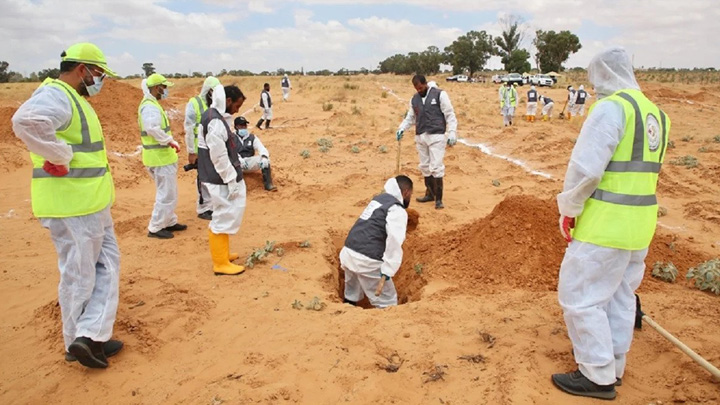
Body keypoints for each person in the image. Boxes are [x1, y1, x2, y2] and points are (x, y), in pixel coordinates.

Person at [552, 47, 671, 400]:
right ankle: (614, 365)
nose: (593, 87)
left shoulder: (610, 108)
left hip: (605, 225)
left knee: (581, 298)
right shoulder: (656, 115)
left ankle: (596, 375)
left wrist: (569, 208)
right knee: (621, 296)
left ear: (603, 75)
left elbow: (586, 170)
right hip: (640, 226)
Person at [11, 42, 123, 369]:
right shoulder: (57, 95)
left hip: (90, 201)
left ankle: (90, 335)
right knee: (80, 274)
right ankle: (80, 340)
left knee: (104, 267)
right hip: (73, 204)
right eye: (98, 74)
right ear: (82, 70)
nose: (100, 81)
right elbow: (27, 120)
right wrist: (59, 155)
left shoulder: (74, 98)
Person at [339, 176, 413, 308]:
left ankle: (347, 309)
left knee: (352, 290)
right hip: (367, 261)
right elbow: (394, 240)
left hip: (348, 252)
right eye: (410, 195)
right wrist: (388, 270)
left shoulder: (378, 200)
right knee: (387, 301)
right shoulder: (397, 210)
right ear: (406, 192)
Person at [198, 84, 248, 275]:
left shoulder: (215, 117)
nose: (237, 110)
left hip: (219, 177)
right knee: (223, 214)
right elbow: (218, 156)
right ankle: (220, 263)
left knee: (226, 213)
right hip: (219, 178)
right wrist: (231, 179)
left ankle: (223, 254)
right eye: (237, 105)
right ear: (228, 101)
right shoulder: (215, 121)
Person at [396, 74, 457, 210]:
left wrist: (452, 132)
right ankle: (429, 193)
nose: (419, 90)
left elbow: (450, 114)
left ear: (425, 84)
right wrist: (401, 128)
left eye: (420, 87)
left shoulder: (440, 94)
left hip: (437, 136)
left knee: (436, 167)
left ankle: (439, 199)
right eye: (416, 89)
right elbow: (410, 118)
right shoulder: (414, 99)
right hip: (421, 136)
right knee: (424, 166)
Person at [138, 73, 186, 239]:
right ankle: (156, 227)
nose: (165, 91)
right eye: (164, 87)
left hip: (161, 157)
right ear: (157, 87)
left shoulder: (152, 104)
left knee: (169, 192)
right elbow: (151, 127)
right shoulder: (150, 107)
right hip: (159, 158)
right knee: (166, 194)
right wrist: (169, 140)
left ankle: (169, 221)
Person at [184, 76, 221, 220]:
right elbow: (188, 128)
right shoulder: (194, 103)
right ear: (209, 90)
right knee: (203, 178)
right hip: (200, 148)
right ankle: (203, 208)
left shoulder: (216, 104)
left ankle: (211, 205)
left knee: (213, 176)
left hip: (213, 147)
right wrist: (191, 151)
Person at [233, 116, 277, 191]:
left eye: (244, 125)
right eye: (241, 126)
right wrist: (239, 159)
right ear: (236, 127)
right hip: (237, 163)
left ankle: (268, 184)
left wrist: (264, 157)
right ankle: (234, 187)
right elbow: (230, 151)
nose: (243, 128)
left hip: (248, 163)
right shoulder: (231, 137)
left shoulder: (252, 137)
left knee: (266, 160)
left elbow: (261, 148)